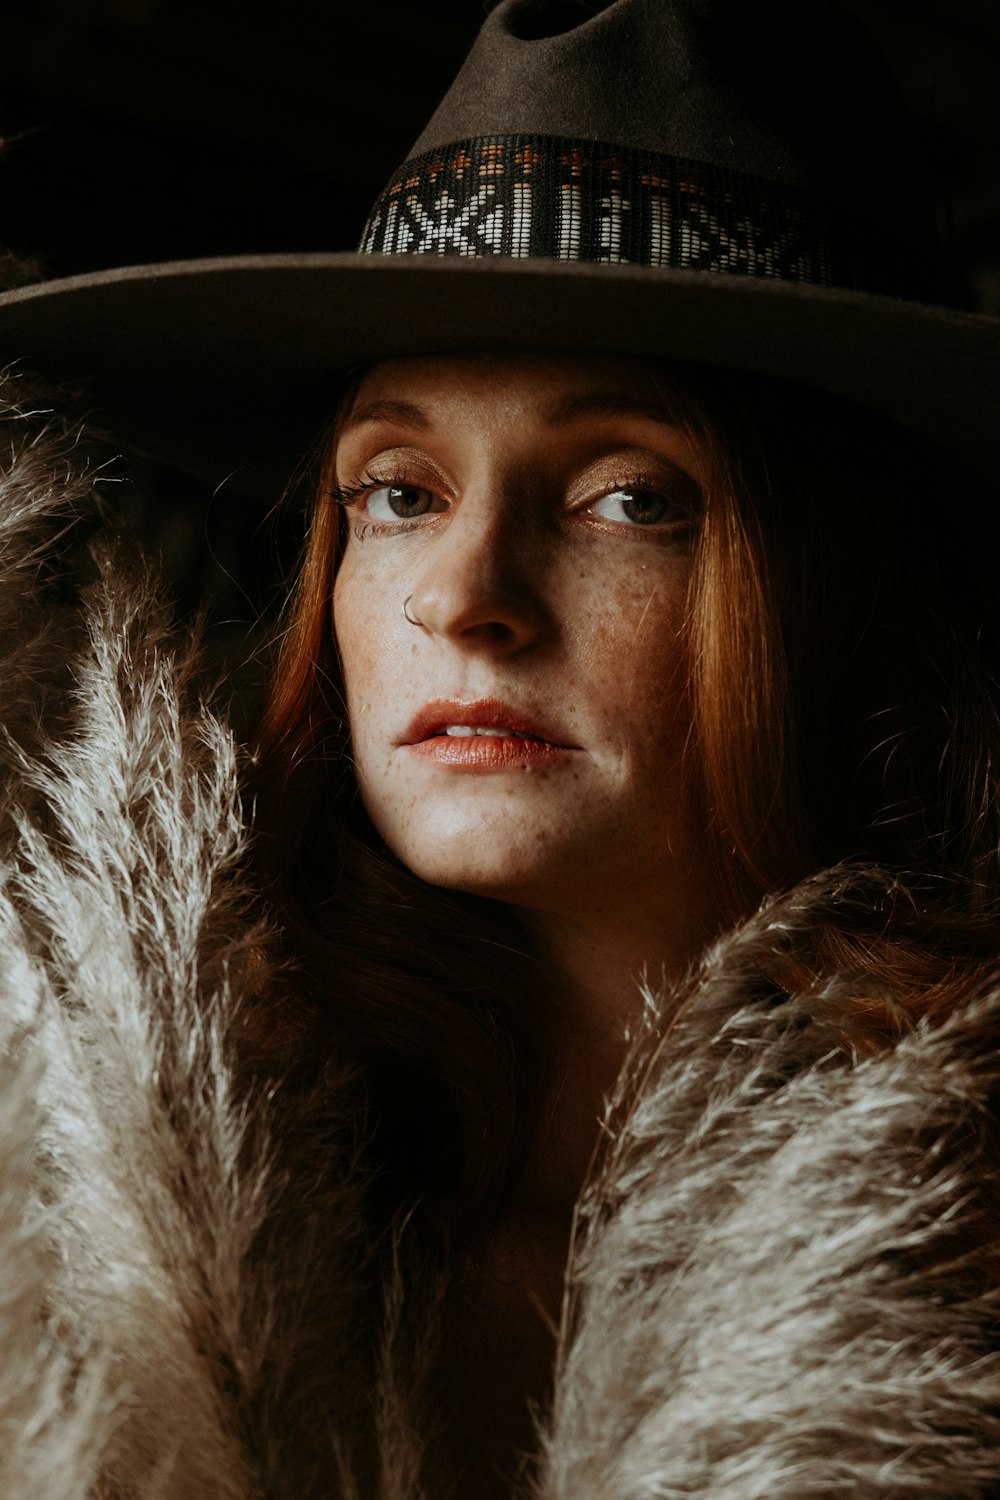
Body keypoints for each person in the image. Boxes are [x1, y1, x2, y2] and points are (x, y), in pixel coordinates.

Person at [0, 1, 998, 1497]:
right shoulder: (117, 1190)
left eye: (627, 498)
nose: (466, 601)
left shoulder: (962, 1281)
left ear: (853, 590)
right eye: (397, 492)